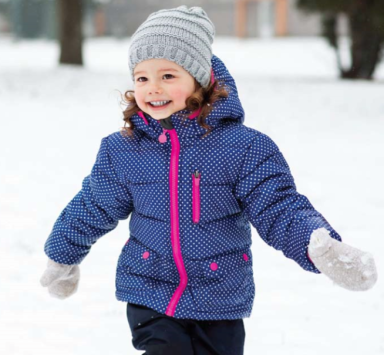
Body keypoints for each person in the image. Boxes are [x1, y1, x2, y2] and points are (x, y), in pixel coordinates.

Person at [40, 5, 378, 355]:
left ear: (200, 79)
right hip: (149, 289)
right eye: (142, 78)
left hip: (220, 296)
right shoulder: (123, 150)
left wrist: (318, 245)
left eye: (168, 76)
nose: (152, 87)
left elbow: (277, 206)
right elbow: (93, 206)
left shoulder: (242, 148)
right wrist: (62, 256)